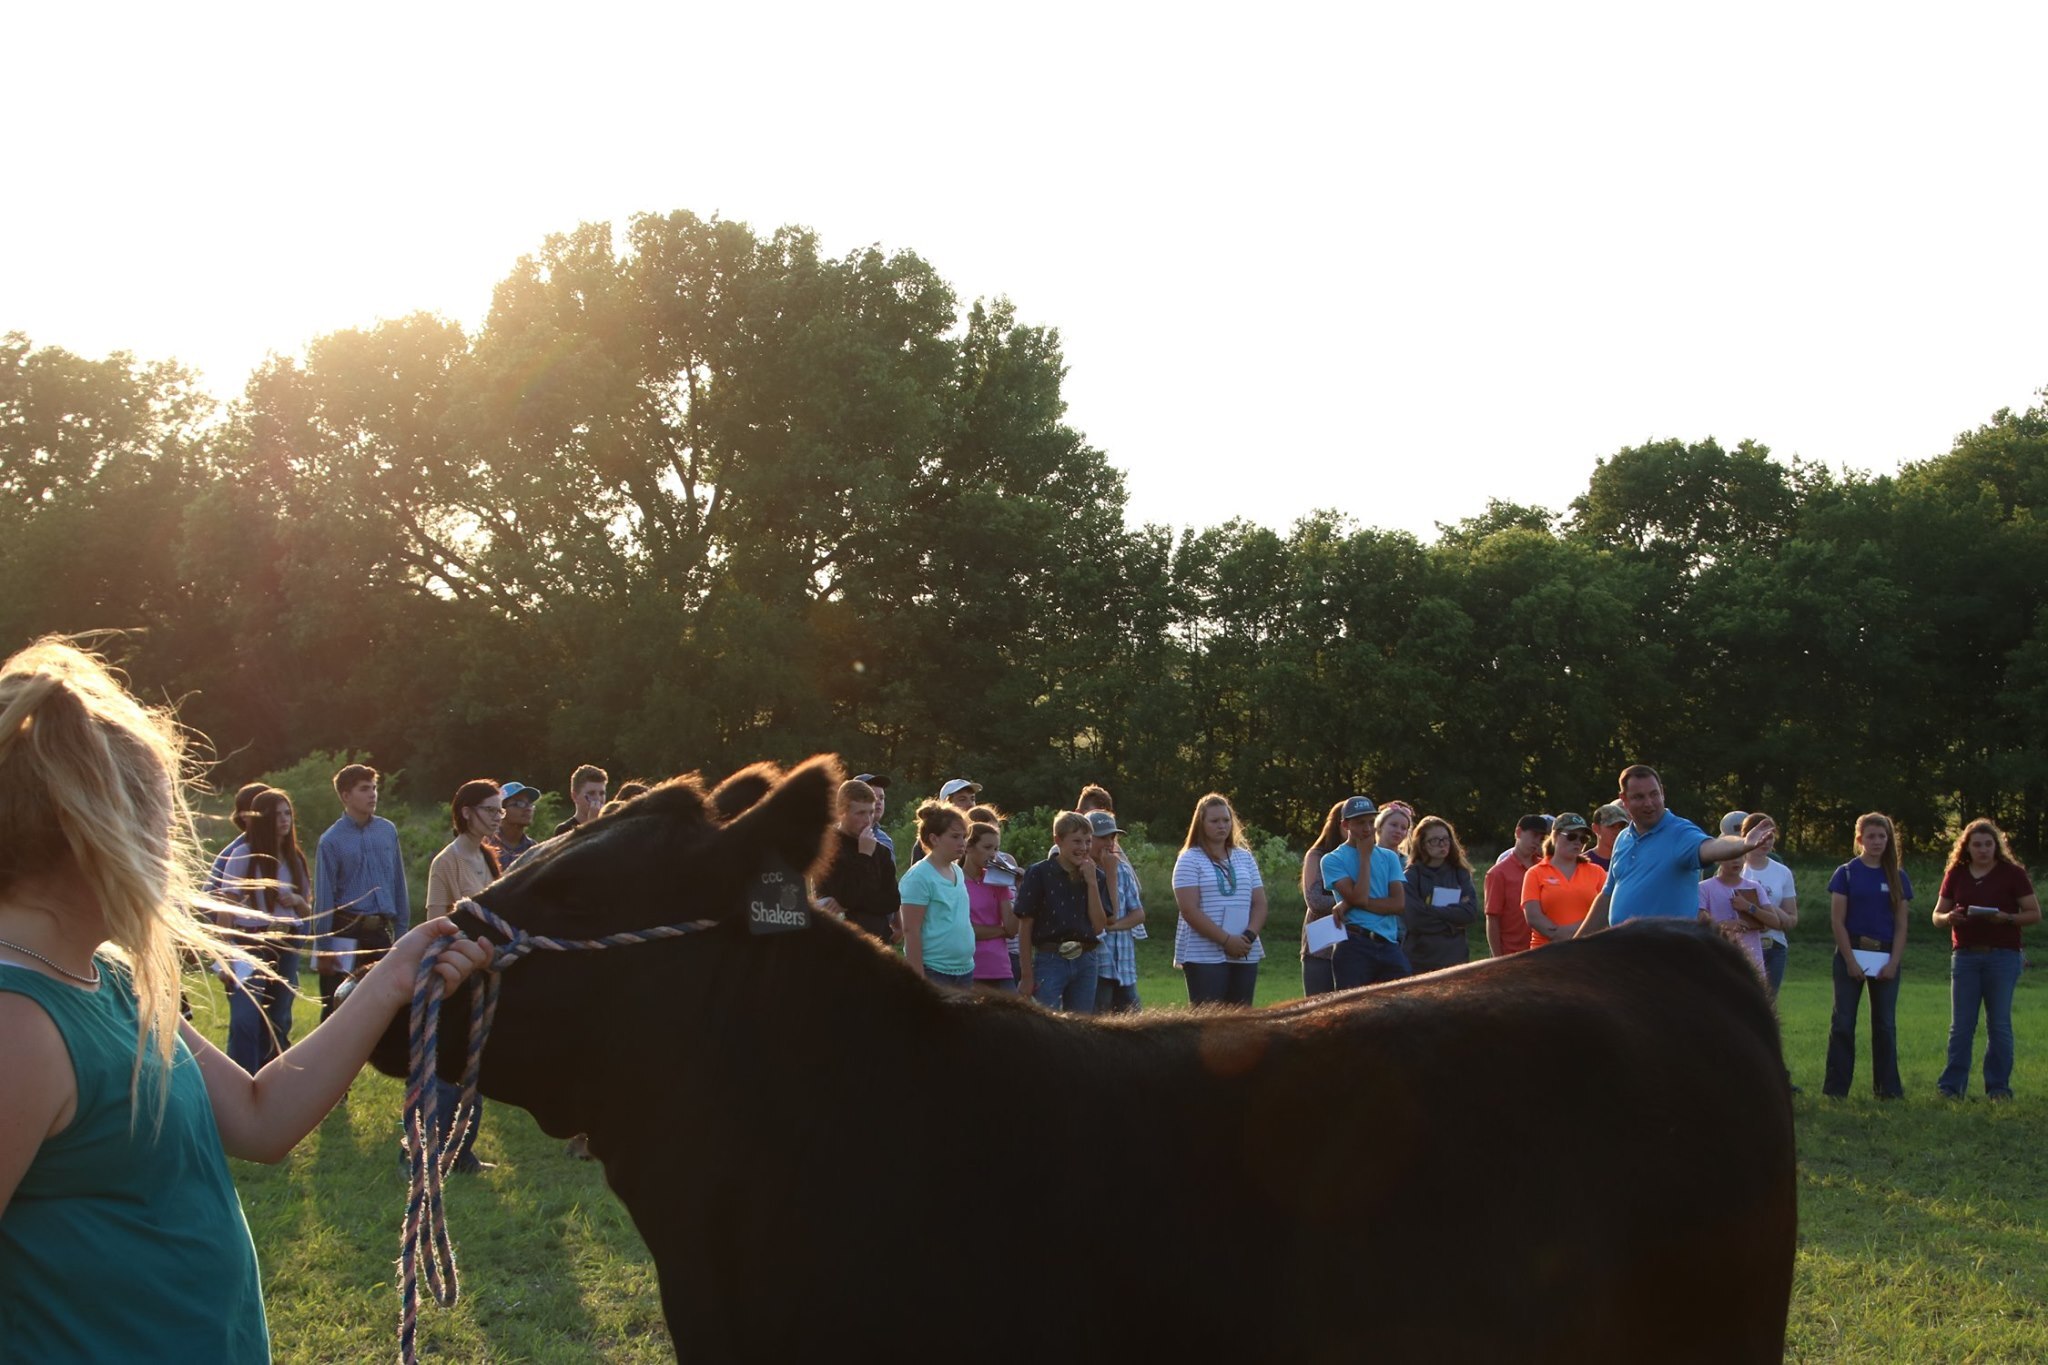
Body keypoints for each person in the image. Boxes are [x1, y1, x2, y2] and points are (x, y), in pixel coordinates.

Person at [0, 637, 490, 1361]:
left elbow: (262, 1118)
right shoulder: (18, 1025)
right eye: (163, 825)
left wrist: (390, 977)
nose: (173, 855)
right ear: (95, 833)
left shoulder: (113, 980)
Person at [1574, 766, 1772, 935]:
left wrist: (1742, 844)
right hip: (1626, 955)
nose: (1649, 803)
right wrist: (1577, 944)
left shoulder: (1680, 833)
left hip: (1669, 955)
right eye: (1639, 797)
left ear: (1662, 792)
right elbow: (1607, 896)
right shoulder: (1623, 840)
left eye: (1654, 794)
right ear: (1623, 799)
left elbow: (1711, 847)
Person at [422, 780, 505, 1171]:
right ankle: (423, 1152)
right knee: (447, 1065)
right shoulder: (446, 862)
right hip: (454, 973)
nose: (497, 817)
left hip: (485, 973)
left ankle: (462, 1151)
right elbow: (435, 921)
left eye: (499, 810)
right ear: (467, 812)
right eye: (491, 810)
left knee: (476, 1064)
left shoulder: (488, 858)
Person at [1932, 818, 2040, 1101]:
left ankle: (1998, 1088)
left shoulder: (2012, 873)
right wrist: (1949, 917)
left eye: (1988, 844)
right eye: (1977, 845)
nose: (1982, 850)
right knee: (1961, 1025)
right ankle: (1951, 1087)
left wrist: (2007, 918)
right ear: (1966, 847)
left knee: (1999, 1024)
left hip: (2003, 955)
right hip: (1966, 955)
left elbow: (2033, 913)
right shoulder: (1956, 874)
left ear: (1997, 845)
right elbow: (1936, 916)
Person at [217, 789, 312, 1074]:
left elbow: (307, 912)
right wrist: (225, 953)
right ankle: (243, 1079)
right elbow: (225, 909)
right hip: (250, 943)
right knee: (246, 1018)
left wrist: (296, 900)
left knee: (279, 1018)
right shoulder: (243, 854)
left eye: (287, 814)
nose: (284, 820)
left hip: (287, 942)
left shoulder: (294, 857)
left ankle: (274, 1082)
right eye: (276, 815)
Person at [1822, 812, 1912, 1101]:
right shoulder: (1846, 873)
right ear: (1859, 839)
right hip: (1851, 953)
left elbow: (1901, 924)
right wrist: (1849, 960)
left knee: (1885, 1024)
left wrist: (1893, 962)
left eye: (1882, 836)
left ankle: (1887, 1090)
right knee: (1843, 1023)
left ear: (1889, 839)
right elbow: (1838, 921)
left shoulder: (1897, 876)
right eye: (1871, 836)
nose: (1877, 842)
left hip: (1885, 955)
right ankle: (1836, 1090)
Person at [312, 763, 409, 1019]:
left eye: (374, 788)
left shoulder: (387, 831)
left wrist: (401, 932)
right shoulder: (331, 840)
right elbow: (323, 897)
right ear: (346, 796)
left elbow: (398, 883)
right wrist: (323, 947)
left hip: (379, 932)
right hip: (345, 933)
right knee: (338, 1010)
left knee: (388, 1008)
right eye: (364, 789)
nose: (373, 794)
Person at [1172, 794, 1265, 1005]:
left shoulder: (1244, 857)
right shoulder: (1189, 859)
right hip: (1204, 954)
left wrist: (1248, 937)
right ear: (1201, 824)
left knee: (1241, 1020)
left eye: (1226, 820)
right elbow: (1189, 910)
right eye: (1214, 821)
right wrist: (1225, 940)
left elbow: (1259, 903)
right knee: (1209, 1023)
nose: (1222, 826)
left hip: (1244, 950)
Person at [1016, 812, 1111, 1011]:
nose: (1083, 848)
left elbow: (1099, 925)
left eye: (1087, 841)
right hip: (1050, 958)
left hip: (1086, 959)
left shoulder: (1097, 876)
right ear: (1058, 840)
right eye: (1076, 841)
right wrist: (1026, 975)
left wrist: (1092, 883)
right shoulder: (1039, 873)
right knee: (1045, 1024)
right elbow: (1025, 926)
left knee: (1082, 1025)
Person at [1322, 796, 1410, 987]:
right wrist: (1364, 857)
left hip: (1388, 942)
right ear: (1346, 825)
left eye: (1371, 822)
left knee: (1402, 1005)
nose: (1367, 829)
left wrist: (1347, 904)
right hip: (1354, 944)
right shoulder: (1332, 860)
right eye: (1360, 823)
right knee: (1352, 1010)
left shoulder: (1388, 857)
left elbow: (1398, 904)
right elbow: (1360, 897)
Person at [897, 802, 977, 990]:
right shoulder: (919, 877)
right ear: (934, 839)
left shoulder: (957, 871)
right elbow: (910, 931)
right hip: (934, 972)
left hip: (964, 970)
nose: (962, 842)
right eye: (955, 836)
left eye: (964, 837)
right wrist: (918, 981)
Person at [814, 778, 900, 944]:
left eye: (871, 812)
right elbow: (846, 895)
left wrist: (852, 903)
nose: (868, 820)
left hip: (879, 942)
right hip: (842, 944)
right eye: (860, 813)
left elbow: (892, 901)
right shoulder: (827, 849)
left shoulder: (881, 851)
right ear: (841, 812)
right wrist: (864, 856)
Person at [1402, 815, 1478, 972]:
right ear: (1422, 844)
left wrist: (1429, 910)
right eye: (1435, 840)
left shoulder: (1460, 873)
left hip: (1456, 956)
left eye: (1445, 839)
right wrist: (1453, 919)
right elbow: (1414, 920)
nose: (1442, 845)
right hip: (1421, 958)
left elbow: (1470, 913)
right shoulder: (1411, 876)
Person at [1737, 812, 1799, 1004]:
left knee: (1767, 1007)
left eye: (1770, 836)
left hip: (1774, 947)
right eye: (1761, 836)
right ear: (1747, 836)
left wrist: (1771, 910)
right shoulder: (1735, 868)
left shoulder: (1782, 872)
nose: (1766, 842)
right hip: (1743, 946)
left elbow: (1791, 919)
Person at [1521, 813, 1607, 949]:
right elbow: (1533, 917)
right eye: (1571, 836)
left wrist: (1577, 937)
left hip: (1587, 952)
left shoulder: (1597, 872)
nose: (1578, 842)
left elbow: (1605, 912)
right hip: (1546, 953)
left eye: (1583, 838)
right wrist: (1566, 936)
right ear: (1554, 836)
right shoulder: (1535, 873)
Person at [1089, 811, 1145, 1013]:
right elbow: (1106, 914)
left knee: (1134, 1022)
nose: (1109, 842)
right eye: (1102, 837)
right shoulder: (1084, 870)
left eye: (1111, 837)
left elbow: (1138, 914)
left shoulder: (1121, 868)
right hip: (1098, 965)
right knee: (1098, 1022)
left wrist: (1113, 926)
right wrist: (1109, 873)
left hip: (1124, 964)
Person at [1696, 849, 1780, 980]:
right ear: (1719, 859)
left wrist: (1749, 907)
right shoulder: (1704, 888)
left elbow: (1774, 922)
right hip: (1718, 958)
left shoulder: (1754, 887)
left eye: (1740, 857)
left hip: (1751, 962)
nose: (1735, 861)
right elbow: (1698, 924)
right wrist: (1724, 925)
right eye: (1730, 856)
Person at [961, 820, 1018, 992]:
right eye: (987, 848)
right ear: (968, 847)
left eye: (996, 848)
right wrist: (1000, 931)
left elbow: (1011, 929)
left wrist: (1021, 887)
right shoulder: (956, 881)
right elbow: (965, 930)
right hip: (970, 969)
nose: (993, 854)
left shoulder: (997, 880)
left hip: (1000, 968)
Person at [1483, 815, 1547, 957]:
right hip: (1512, 953)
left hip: (1543, 951)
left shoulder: (1546, 868)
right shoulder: (1498, 873)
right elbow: (1493, 919)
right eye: (1534, 835)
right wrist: (1498, 958)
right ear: (1518, 832)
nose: (1537, 842)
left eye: (1541, 838)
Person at [1300, 801, 1346, 996]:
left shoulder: (1367, 857)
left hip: (1353, 946)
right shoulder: (1316, 856)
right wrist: (1353, 903)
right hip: (1321, 944)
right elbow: (1315, 901)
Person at [487, 781, 542, 870]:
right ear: (501, 810)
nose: (528, 809)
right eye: (519, 803)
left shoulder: (534, 849)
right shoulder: (487, 845)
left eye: (530, 804)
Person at [551, 764, 608, 837]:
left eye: (602, 793)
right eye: (591, 793)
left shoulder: (610, 826)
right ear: (575, 796)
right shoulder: (564, 829)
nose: (598, 798)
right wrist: (592, 823)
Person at [852, 774, 895, 855]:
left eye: (881, 798)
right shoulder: (837, 838)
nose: (878, 802)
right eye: (873, 797)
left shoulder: (885, 841)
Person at [1587, 803, 1627, 869]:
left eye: (1621, 827)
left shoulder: (1631, 860)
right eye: (1611, 826)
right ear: (1595, 828)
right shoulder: (1582, 862)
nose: (1617, 832)